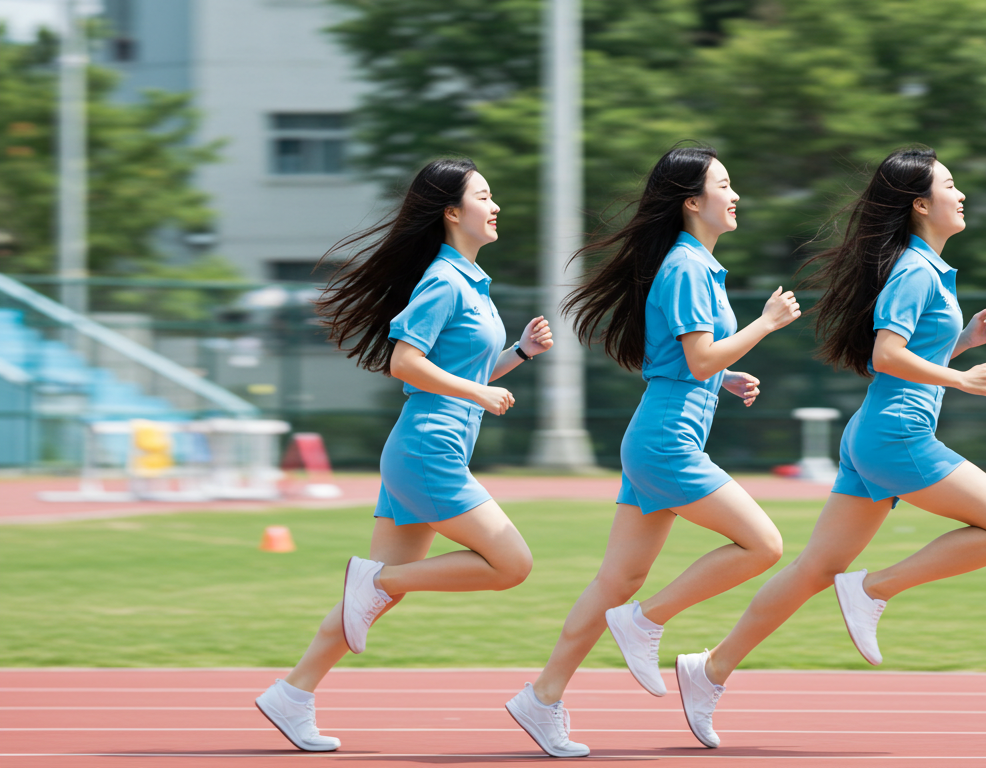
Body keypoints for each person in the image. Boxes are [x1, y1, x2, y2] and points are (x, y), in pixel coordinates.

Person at [670, 145, 986, 749]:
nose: (961, 194)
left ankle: (709, 670)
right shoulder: (917, 270)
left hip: (878, 436)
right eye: (950, 185)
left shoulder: (926, 270)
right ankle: (875, 588)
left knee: (816, 567)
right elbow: (885, 356)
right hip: (898, 439)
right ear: (921, 204)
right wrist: (962, 379)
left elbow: (903, 359)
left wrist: (959, 344)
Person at [504, 144, 801, 757]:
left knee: (617, 577)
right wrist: (765, 324)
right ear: (693, 202)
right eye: (725, 184)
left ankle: (543, 696)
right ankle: (647, 621)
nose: (736, 194)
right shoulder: (687, 268)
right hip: (667, 443)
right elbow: (698, 358)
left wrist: (726, 378)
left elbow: (688, 364)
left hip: (660, 433)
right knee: (762, 544)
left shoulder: (694, 266)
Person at [253, 158, 554, 752]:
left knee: (374, 599)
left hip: (424, 447)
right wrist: (478, 392)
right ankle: (376, 580)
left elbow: (457, 370)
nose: (496, 208)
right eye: (485, 197)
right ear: (451, 212)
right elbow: (405, 363)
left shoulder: (470, 280)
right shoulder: (444, 280)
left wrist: (517, 353)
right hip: (428, 451)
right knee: (511, 565)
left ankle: (292, 693)